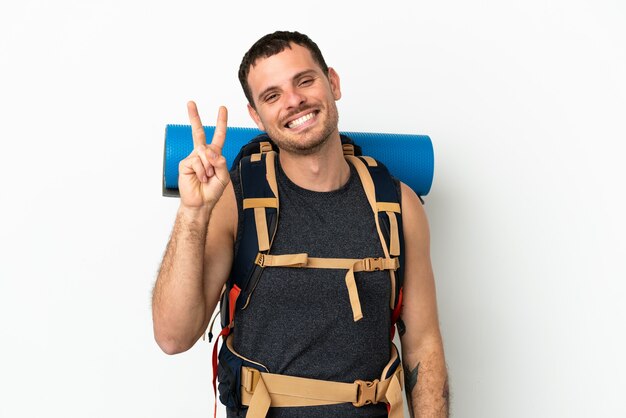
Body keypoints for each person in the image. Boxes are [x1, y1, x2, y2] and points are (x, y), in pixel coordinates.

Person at [152, 31, 449, 418]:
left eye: (304, 81)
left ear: (333, 83)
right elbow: (173, 337)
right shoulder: (235, 201)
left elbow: (423, 347)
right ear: (257, 116)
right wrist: (193, 213)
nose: (294, 101)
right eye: (272, 96)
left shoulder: (398, 205)